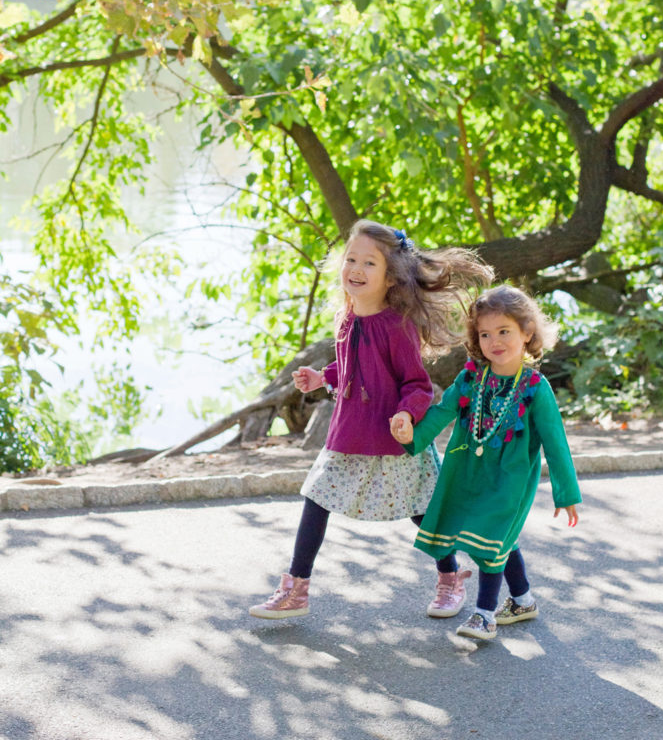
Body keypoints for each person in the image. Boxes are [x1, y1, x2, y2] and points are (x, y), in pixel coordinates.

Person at [249, 219, 493, 620]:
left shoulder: (397, 327)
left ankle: (450, 577)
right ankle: (297, 589)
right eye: (351, 260)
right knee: (316, 498)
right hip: (347, 434)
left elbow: (418, 385)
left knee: (422, 511)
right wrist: (320, 377)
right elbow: (351, 367)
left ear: (392, 277)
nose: (356, 270)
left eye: (369, 263)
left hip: (394, 438)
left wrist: (405, 414)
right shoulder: (346, 319)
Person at [390, 284, 581, 642]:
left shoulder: (536, 388)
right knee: (500, 540)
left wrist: (565, 492)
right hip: (467, 473)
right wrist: (410, 437)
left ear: (527, 332)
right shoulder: (470, 379)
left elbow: (556, 443)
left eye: (504, 331)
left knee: (492, 541)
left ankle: (484, 613)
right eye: (485, 334)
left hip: (509, 479)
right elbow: (443, 411)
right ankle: (523, 600)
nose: (495, 340)